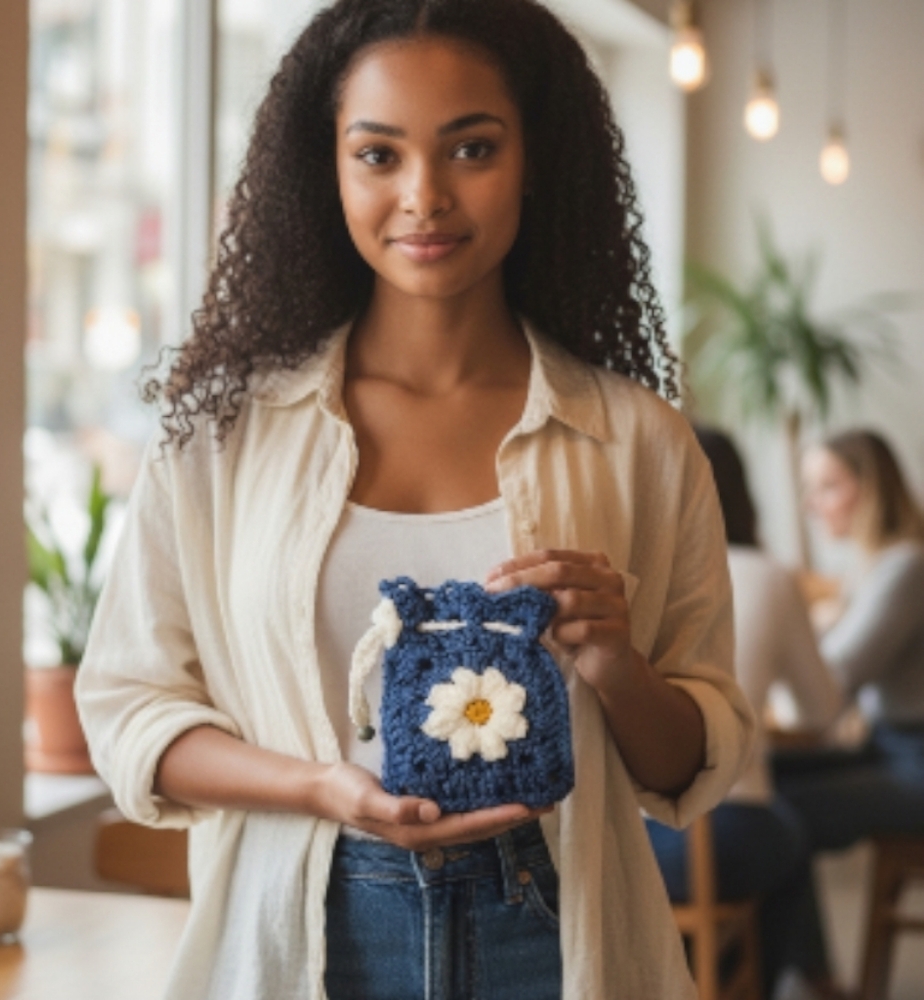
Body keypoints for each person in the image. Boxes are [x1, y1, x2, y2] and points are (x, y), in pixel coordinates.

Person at [75, 2, 753, 998]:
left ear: (536, 158)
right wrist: (320, 786)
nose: (423, 196)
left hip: (559, 940)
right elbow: (130, 711)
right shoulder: (225, 436)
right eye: (378, 154)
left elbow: (696, 759)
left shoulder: (638, 441)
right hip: (300, 938)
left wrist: (618, 664)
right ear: (329, 170)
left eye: (471, 148)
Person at [647, 428, 845, 1000]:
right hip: (718, 835)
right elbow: (823, 711)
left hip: (616, 845)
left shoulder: (619, 575)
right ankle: (775, 985)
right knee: (789, 833)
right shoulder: (766, 575)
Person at [774, 430, 924, 852]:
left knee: (779, 810)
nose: (810, 505)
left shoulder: (906, 567)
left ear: (873, 488)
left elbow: (835, 682)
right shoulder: (872, 567)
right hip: (886, 747)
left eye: (828, 486)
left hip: (913, 759)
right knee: (764, 779)